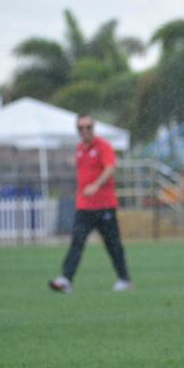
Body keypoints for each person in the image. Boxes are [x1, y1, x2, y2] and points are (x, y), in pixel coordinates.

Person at [49, 114, 132, 293]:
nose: (85, 131)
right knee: (77, 242)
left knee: (113, 244)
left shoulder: (103, 146)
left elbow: (110, 168)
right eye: (81, 128)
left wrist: (95, 185)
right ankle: (66, 279)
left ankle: (124, 279)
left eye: (88, 127)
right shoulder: (79, 149)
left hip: (104, 205)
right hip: (84, 206)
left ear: (94, 128)